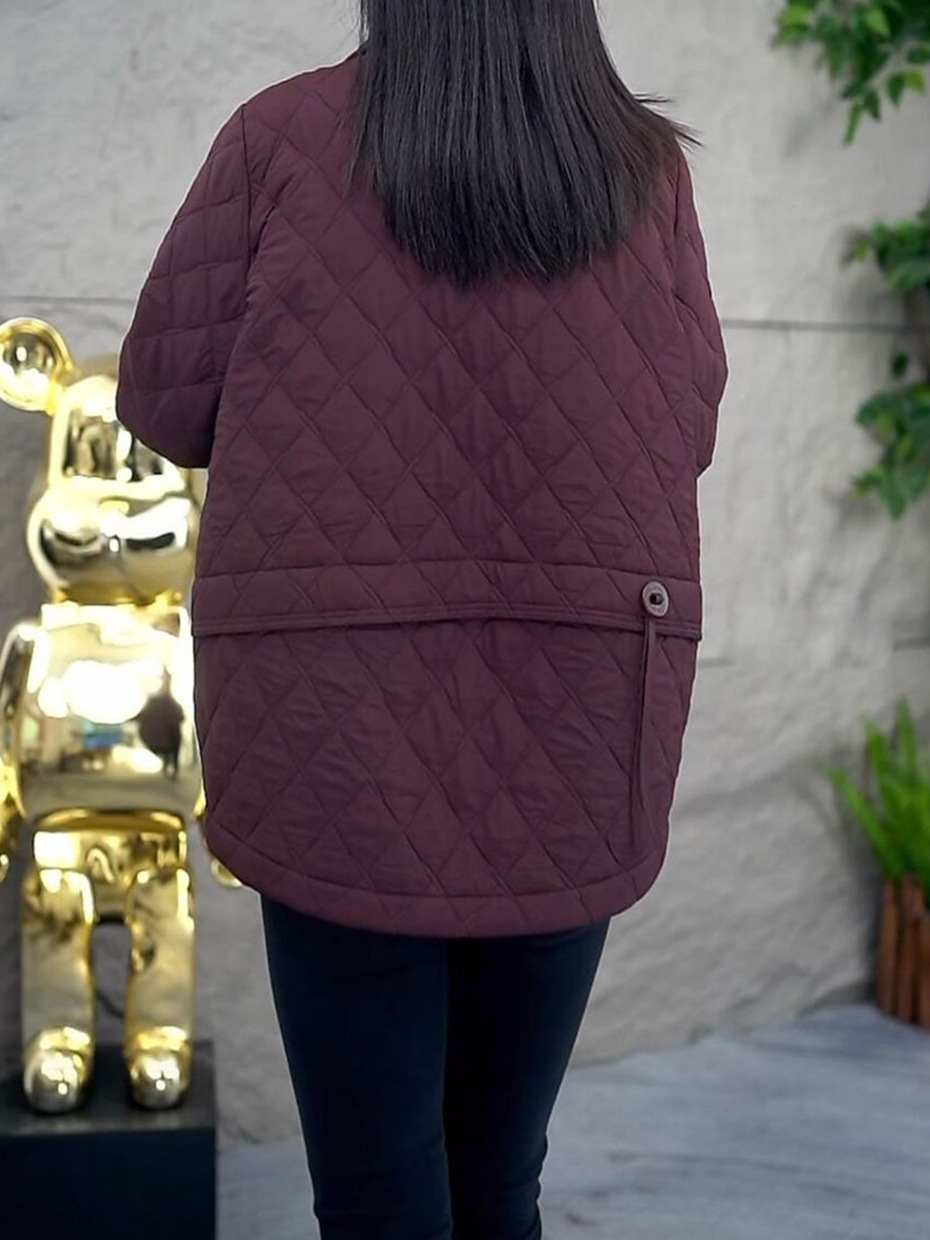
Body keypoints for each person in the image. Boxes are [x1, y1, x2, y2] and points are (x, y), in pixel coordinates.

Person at [115, 2, 727, 1236]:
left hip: (330, 720)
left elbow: (162, 400)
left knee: (374, 1191)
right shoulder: (644, 173)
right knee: (501, 1174)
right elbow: (689, 424)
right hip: (578, 720)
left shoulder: (278, 139)